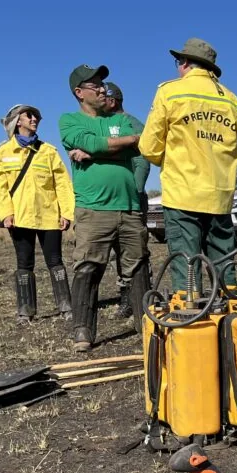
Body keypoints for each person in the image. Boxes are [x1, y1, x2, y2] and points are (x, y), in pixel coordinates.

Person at [139, 38, 237, 293]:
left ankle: (193, 324)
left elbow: (149, 147)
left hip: (183, 195)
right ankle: (230, 323)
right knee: (224, 265)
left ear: (186, 63)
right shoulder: (233, 100)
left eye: (179, 62)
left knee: (187, 267)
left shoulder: (170, 91)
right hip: (220, 197)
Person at [59, 65, 151, 352]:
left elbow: (142, 144)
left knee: (137, 266)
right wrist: (106, 145)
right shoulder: (69, 120)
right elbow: (90, 141)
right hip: (93, 208)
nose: (101, 89)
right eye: (94, 85)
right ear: (79, 92)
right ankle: (83, 331)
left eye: (103, 84)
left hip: (129, 207)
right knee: (88, 266)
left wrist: (98, 150)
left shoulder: (119, 119)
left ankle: (145, 324)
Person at [0, 104, 75, 325]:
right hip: (19, 218)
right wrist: (6, 213)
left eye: (36, 115)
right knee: (24, 263)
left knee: (55, 261)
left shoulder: (48, 151)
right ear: (18, 121)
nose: (34, 118)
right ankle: (25, 312)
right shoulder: (2, 152)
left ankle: (66, 307)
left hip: (49, 217)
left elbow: (62, 184)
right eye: (29, 115)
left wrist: (66, 212)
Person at [104, 81, 150, 319]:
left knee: (135, 249)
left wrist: (135, 188)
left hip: (131, 198)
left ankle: (141, 296)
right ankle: (125, 297)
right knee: (115, 250)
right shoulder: (102, 125)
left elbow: (143, 159)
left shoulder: (132, 124)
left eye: (104, 98)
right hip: (108, 201)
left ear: (113, 100)